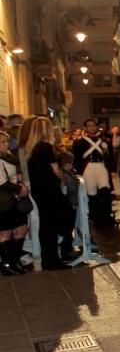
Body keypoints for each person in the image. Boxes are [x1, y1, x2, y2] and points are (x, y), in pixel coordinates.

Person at [24, 117, 74, 270]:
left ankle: (50, 258)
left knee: (46, 225)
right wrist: (63, 181)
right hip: (50, 191)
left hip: (40, 191)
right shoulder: (46, 147)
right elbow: (56, 170)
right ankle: (53, 259)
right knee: (59, 220)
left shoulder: (33, 148)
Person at [72, 118, 114, 228]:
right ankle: (95, 217)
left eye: (93, 125)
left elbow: (109, 157)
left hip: (100, 166)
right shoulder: (79, 142)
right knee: (91, 194)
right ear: (85, 128)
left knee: (105, 191)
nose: (91, 128)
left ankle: (106, 215)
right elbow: (77, 158)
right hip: (88, 167)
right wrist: (79, 171)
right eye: (89, 126)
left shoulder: (103, 140)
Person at [0, 130, 31, 273]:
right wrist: (19, 188)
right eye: (2, 142)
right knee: (5, 233)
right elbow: (2, 183)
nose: (6, 144)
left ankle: (15, 260)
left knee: (22, 228)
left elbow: (16, 173)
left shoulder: (8, 157)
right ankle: (7, 265)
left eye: (6, 141)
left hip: (15, 198)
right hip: (4, 200)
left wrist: (20, 184)